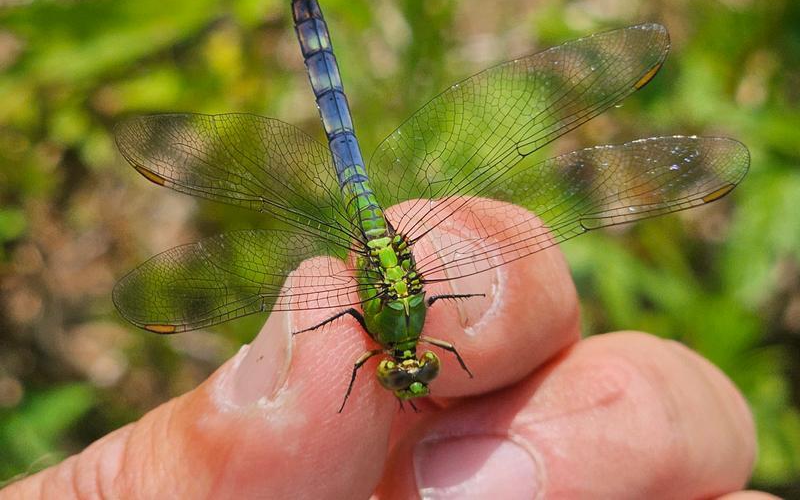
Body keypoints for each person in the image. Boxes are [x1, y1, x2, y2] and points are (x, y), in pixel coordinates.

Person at [3, 203, 771, 499]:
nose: (406, 375)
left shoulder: (414, 339)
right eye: (410, 371)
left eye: (411, 373)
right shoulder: (351, 328)